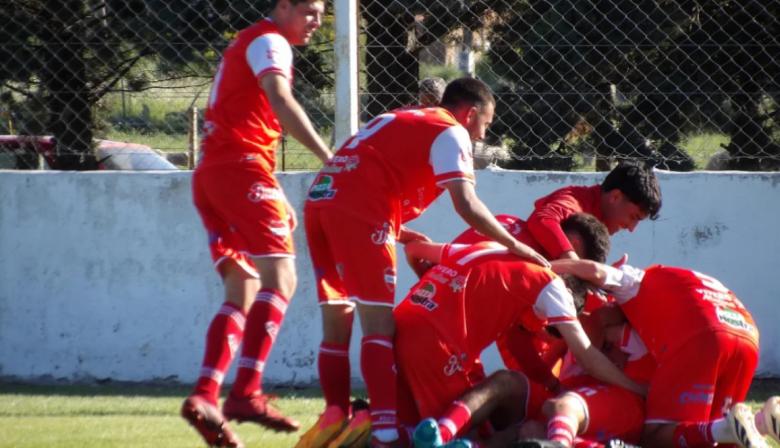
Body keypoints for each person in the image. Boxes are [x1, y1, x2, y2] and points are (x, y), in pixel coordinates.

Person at [299, 77, 549, 448]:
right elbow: (466, 204)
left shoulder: (404, 118)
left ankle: (334, 415)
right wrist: (515, 245)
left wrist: (398, 230)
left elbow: (365, 175)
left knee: (338, 314)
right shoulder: (452, 132)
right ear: (471, 113)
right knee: (378, 326)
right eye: (487, 123)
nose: (483, 134)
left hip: (321, 200)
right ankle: (385, 432)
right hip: (360, 210)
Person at [180, 1, 333, 446]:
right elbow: (279, 98)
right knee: (281, 278)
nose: (317, 22)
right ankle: (246, 391)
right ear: (282, 6)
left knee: (243, 287)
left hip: (213, 173)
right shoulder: (271, 41)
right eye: (309, 11)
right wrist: (331, 159)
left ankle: (207, 394)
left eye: (322, 14)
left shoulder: (247, 41)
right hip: (242, 167)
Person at [396, 237, 646, 448]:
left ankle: (440, 434)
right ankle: (444, 435)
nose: (544, 335)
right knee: (506, 400)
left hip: (400, 323)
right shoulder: (551, 290)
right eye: (554, 328)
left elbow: (414, 249)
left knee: (528, 404)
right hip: (436, 345)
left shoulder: (492, 249)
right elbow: (583, 355)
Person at [551, 258, 780, 448]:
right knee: (721, 437)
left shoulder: (633, 280)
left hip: (703, 334)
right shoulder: (670, 282)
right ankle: (762, 421)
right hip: (747, 334)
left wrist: (546, 268)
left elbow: (594, 270)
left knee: (656, 436)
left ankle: (744, 425)